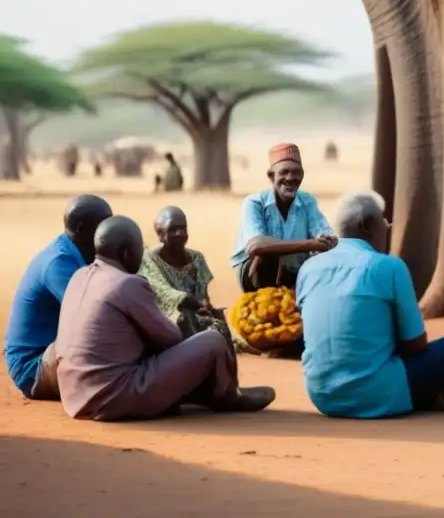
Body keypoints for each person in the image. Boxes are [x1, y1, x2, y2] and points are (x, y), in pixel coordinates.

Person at [55, 216, 276, 421]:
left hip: (74, 396)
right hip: (113, 398)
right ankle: (229, 396)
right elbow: (170, 338)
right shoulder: (128, 283)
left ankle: (183, 393)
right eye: (139, 249)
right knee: (212, 340)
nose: (143, 255)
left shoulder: (79, 276)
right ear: (125, 252)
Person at [298, 191, 444, 419]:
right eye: (384, 222)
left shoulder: (308, 268)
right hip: (378, 394)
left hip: (323, 397)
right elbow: (415, 344)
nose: (387, 229)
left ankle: (423, 395)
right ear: (367, 225)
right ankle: (423, 396)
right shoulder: (390, 266)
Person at [5, 195, 113, 400]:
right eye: (104, 226)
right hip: (31, 367)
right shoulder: (59, 262)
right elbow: (91, 314)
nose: (110, 232)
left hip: (50, 352)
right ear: (82, 229)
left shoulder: (76, 254)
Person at [230, 143, 338, 292]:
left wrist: (324, 241)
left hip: (295, 270)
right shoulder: (254, 203)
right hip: (256, 275)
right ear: (271, 176)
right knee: (264, 256)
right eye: (284, 172)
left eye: (296, 172)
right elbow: (256, 245)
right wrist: (311, 245)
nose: (290, 178)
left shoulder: (307, 201)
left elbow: (328, 239)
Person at [138, 206, 231, 342]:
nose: (180, 233)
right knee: (186, 321)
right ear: (160, 234)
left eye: (183, 228)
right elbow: (165, 293)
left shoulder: (197, 258)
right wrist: (195, 305)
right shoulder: (149, 259)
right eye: (173, 229)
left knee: (218, 323)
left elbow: (202, 292)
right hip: (168, 316)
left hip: (197, 312)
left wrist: (205, 304)